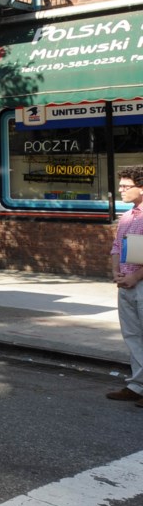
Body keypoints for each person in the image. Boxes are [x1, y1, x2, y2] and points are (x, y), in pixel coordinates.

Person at [109, 165, 143, 405]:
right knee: (132, 336)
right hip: (126, 283)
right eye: (120, 185)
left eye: (125, 186)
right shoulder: (128, 216)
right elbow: (116, 247)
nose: (120, 190)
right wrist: (116, 272)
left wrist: (136, 276)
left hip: (139, 282)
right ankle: (137, 385)